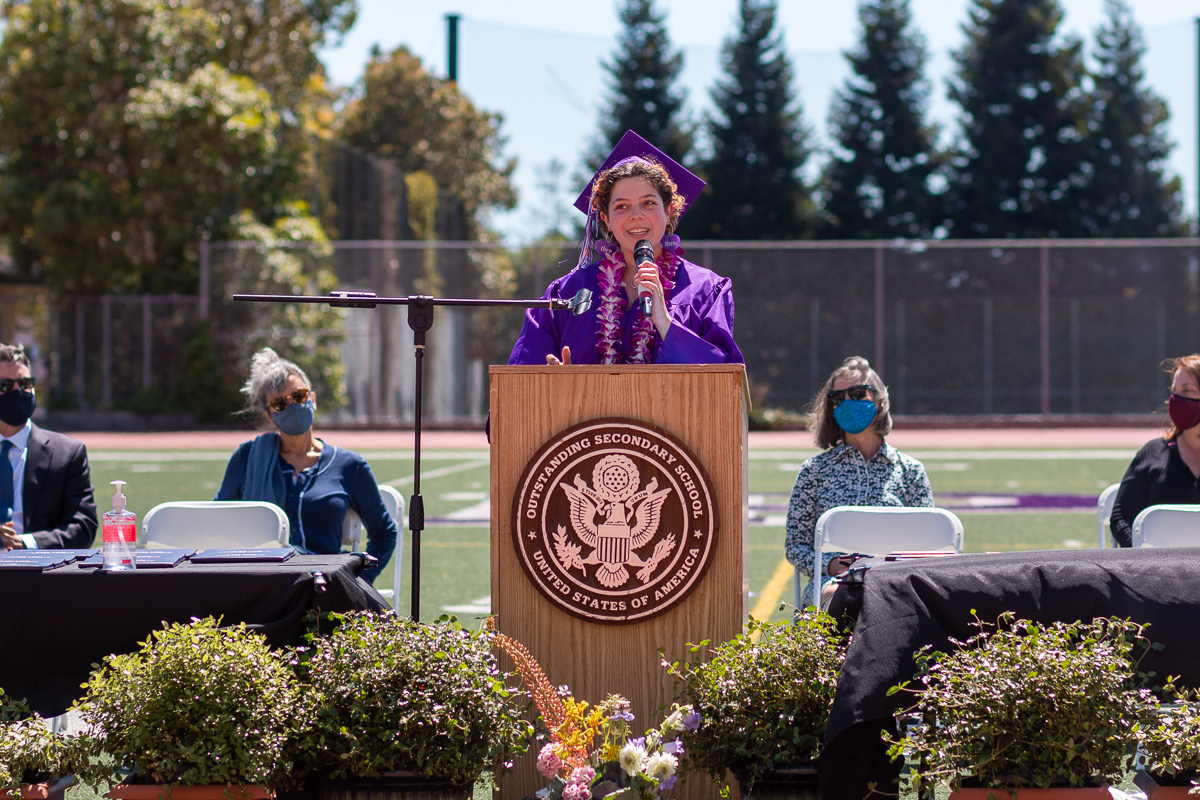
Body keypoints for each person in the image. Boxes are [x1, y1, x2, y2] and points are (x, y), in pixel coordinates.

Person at [508, 130, 743, 366]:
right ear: (606, 220)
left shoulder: (705, 290)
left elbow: (724, 376)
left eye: (648, 203)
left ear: (669, 211)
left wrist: (665, 322)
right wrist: (555, 382)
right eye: (621, 206)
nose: (636, 215)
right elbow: (522, 373)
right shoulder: (567, 293)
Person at [216, 348, 397, 583]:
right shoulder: (247, 458)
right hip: (262, 584)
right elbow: (218, 522)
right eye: (279, 404)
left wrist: (356, 582)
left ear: (312, 399)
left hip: (325, 588)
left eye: (299, 396)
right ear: (270, 416)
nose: (292, 406)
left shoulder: (350, 466)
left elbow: (384, 533)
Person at [784, 356, 933, 607]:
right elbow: (795, 545)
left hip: (895, 581)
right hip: (833, 584)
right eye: (838, 398)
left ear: (879, 399)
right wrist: (831, 564)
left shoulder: (911, 471)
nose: (847, 402)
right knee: (840, 596)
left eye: (857, 393)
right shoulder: (814, 471)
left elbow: (928, 542)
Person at [0, 343, 98, 550]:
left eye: (25, 383)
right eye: (5, 385)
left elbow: (83, 527)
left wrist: (27, 543)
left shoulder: (68, 454)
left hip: (38, 567)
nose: (18, 391)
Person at [1110, 355, 1200, 547]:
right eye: (1174, 391)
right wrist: (1147, 555)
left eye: (1187, 390)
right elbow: (1121, 518)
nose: (1176, 399)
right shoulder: (1153, 453)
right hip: (1160, 565)